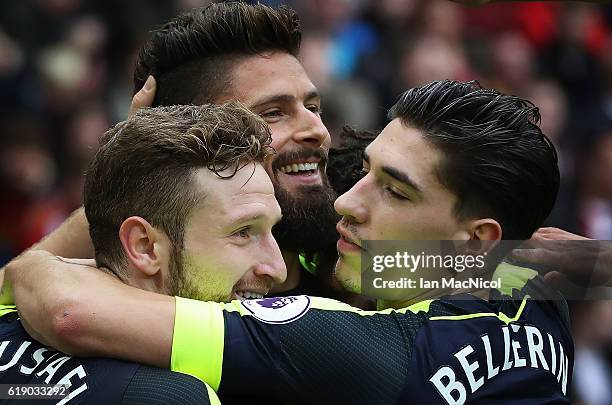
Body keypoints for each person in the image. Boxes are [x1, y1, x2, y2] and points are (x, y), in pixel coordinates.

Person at [9, 80, 574, 404]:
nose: (348, 201)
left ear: (476, 240)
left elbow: (69, 311)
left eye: (396, 193)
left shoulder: (359, 351)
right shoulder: (541, 284)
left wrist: (30, 268)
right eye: (367, 171)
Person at [0, 1, 338, 300]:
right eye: (273, 113)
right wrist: (138, 170)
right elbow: (10, 293)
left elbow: (392, 284)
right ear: (188, 141)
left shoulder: (360, 249)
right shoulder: (99, 307)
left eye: (314, 107)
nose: (317, 131)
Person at [1, 102, 286, 404]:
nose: (277, 268)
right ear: (144, 246)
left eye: (272, 231)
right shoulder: (175, 396)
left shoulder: (11, 308)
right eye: (242, 232)